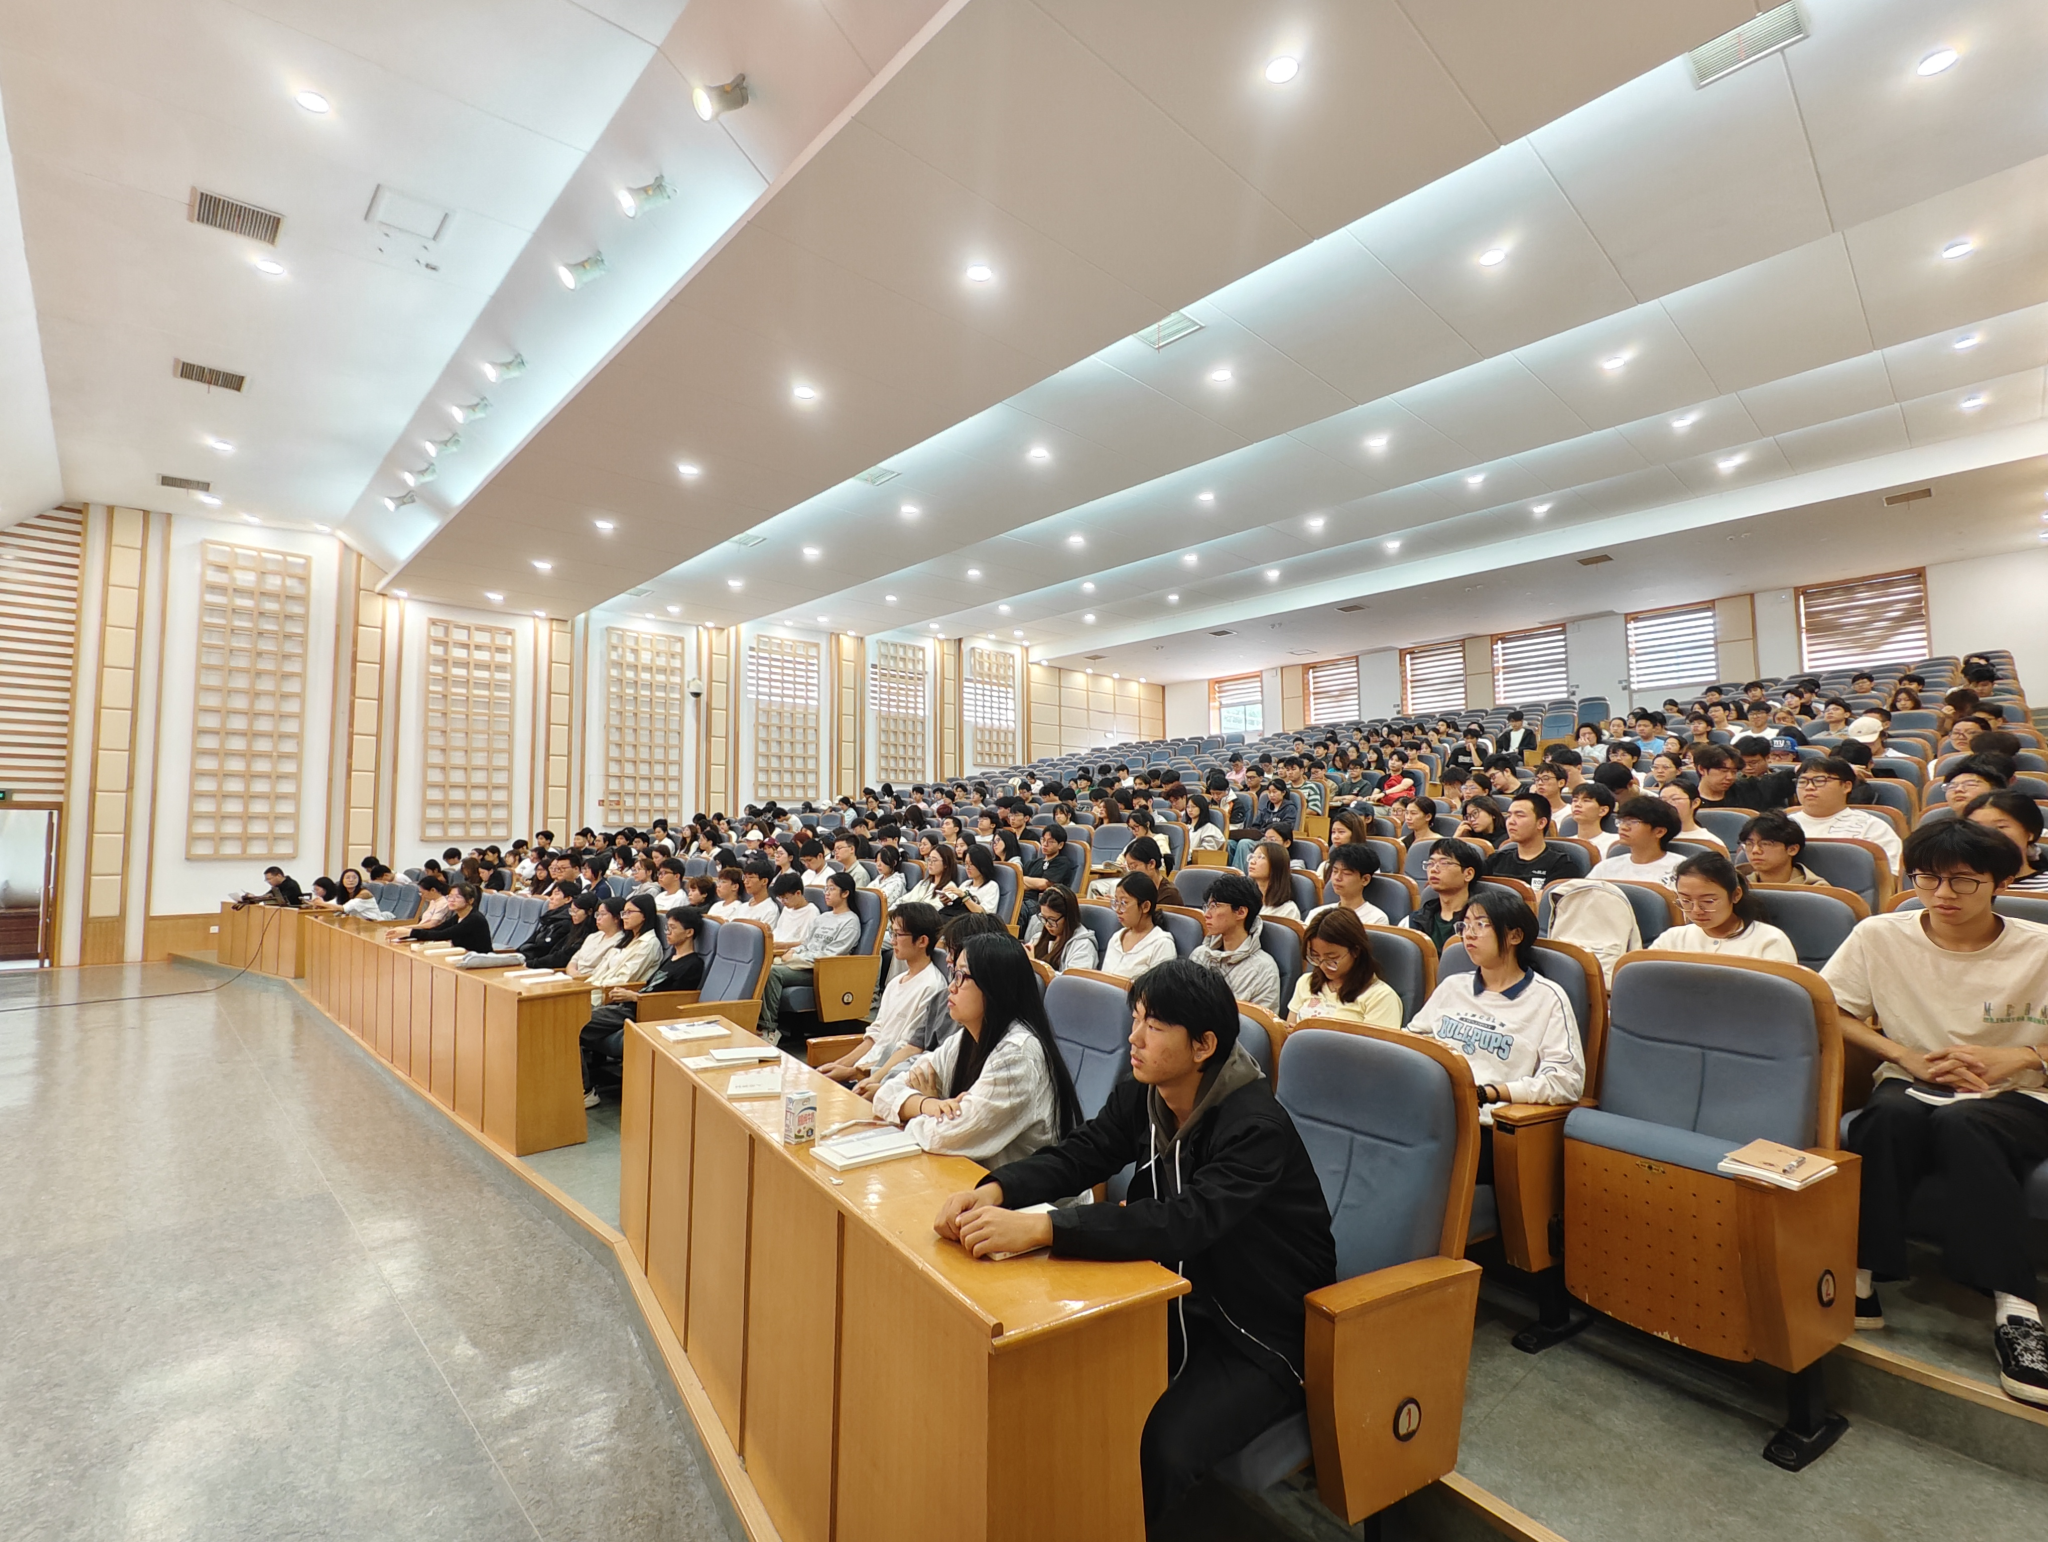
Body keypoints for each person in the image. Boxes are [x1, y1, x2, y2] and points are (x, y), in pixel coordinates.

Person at [932, 961, 1336, 1530]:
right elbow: (1081, 1153)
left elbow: (1184, 1222)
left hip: (1256, 1330)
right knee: (1067, 1377)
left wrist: (1045, 1228)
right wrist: (995, 1189)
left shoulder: (1253, 1128)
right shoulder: (1145, 1096)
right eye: (1136, 1019)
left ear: (1203, 1046)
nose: (1134, 1038)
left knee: (1161, 1447)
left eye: (1155, 1026)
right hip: (1173, 1296)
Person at [1823, 820, 2048, 1408]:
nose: (1943, 894)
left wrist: (2020, 1056)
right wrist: (1902, 1055)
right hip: (1916, 1079)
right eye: (1927, 878)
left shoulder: (2041, 946)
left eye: (1963, 881)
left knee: (1964, 1123)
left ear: (2002, 882)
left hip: (2021, 1093)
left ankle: (2016, 1308)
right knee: (1883, 1120)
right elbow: (1830, 1008)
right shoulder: (1879, 935)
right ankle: (1861, 1275)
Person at [873, 934, 1084, 1167]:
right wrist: (928, 1105)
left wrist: (920, 1107)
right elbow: (885, 1094)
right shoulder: (966, 1037)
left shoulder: (1017, 1056)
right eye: (953, 973)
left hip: (1019, 1189)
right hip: (968, 1174)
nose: (951, 987)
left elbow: (940, 1137)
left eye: (961, 976)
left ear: (994, 986)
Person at [1405, 891, 1584, 1162]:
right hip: (1429, 1113)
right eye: (1465, 924)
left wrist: (1490, 1093)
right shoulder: (1453, 986)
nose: (1469, 934)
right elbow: (1413, 1042)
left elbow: (1565, 1081)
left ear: (1515, 936)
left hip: (1486, 1127)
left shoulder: (1547, 998)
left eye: (1481, 924)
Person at [579, 907, 708, 1104]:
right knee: (572, 1017)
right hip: (629, 1006)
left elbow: (673, 1000)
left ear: (689, 932)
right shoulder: (671, 958)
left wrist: (635, 997)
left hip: (641, 1012)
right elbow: (650, 986)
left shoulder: (692, 964)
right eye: (666, 927)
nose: (667, 932)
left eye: (673, 928)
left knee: (572, 1024)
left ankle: (585, 1091)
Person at [818, 903, 948, 1086]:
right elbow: (875, 1034)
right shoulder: (896, 982)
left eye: (898, 934)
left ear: (922, 941)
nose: (892, 941)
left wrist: (853, 1073)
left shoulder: (932, 986)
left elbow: (910, 1049)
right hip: (864, 1069)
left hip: (885, 1078)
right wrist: (839, 1064)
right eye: (892, 933)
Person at [759, 872, 863, 1051]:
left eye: (831, 889)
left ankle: (769, 1028)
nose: (826, 893)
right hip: (802, 963)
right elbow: (807, 944)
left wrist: (797, 958)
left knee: (772, 972)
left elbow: (832, 955)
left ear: (845, 893)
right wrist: (793, 951)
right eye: (826, 889)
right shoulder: (823, 918)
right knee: (761, 968)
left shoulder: (850, 922)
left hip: (820, 970)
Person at [1661, 852, 1797, 961]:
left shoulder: (1769, 941)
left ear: (1736, 895)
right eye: (1685, 900)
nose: (1696, 910)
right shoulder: (1672, 939)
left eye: (1708, 901)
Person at [1288, 907, 1402, 1028]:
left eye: (1332, 958)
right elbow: (1289, 1030)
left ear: (1355, 951)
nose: (1323, 965)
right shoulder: (1306, 982)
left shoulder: (1380, 997)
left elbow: (1376, 1041)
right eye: (1315, 957)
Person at [1189, 873, 1281, 1012]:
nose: (1207, 914)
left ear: (1241, 912)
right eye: (1207, 906)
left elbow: (1260, 1023)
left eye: (1215, 906)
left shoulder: (1264, 969)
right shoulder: (1200, 955)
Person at [1790, 758, 1903, 869]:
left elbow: (1891, 874)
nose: (1809, 787)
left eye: (1819, 781)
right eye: (1802, 781)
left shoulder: (1873, 827)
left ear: (1846, 786)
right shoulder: (1785, 823)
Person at [1589, 794, 1688, 888]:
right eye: (1621, 821)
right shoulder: (1606, 867)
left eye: (1633, 822)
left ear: (1659, 832)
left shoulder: (1681, 868)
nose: (1623, 827)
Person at [1484, 792, 1579, 890]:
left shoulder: (1561, 865)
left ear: (1541, 823)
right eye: (1509, 816)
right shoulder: (1496, 860)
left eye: (1519, 815)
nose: (1511, 821)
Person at [1406, 838, 1484, 952]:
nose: (1434, 869)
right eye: (1431, 863)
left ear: (1468, 874)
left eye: (1444, 863)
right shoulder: (1413, 920)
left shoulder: (1481, 923)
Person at [1102, 873, 1178, 981]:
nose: (1118, 910)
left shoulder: (1162, 945)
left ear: (1145, 906)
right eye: (1116, 902)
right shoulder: (1116, 938)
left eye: (1124, 903)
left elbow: (1159, 989)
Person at [1968, 791, 2048, 892]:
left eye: (2000, 827)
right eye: (1976, 827)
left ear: (2030, 833)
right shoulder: (1954, 884)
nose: (1987, 835)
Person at [388, 879, 493, 953]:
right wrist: (405, 934)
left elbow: (442, 935)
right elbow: (436, 929)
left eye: (457, 897)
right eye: (450, 896)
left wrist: (410, 932)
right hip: (463, 956)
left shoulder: (474, 919)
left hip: (479, 960)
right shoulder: (458, 916)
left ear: (470, 900)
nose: (451, 900)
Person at [1735, 812, 1829, 888]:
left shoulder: (1817, 889)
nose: (1755, 850)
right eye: (1749, 844)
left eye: (1766, 843)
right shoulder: (1735, 886)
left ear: (1792, 849)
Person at [1024, 885, 1099, 973]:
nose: (1047, 924)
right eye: (1043, 918)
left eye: (1052, 920)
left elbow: (1073, 980)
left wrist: (1035, 966)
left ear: (1068, 917)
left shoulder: (1083, 945)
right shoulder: (1038, 938)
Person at [518, 878, 583, 964]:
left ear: (568, 899)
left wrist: (526, 961)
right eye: (551, 894)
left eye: (556, 894)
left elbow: (545, 950)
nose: (551, 898)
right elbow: (531, 941)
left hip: (537, 964)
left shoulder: (565, 923)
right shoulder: (550, 919)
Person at [1659, 779, 1724, 849]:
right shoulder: (1654, 836)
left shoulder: (1709, 842)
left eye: (1675, 799)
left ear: (1695, 803)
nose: (1668, 804)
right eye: (1663, 800)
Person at [1247, 842, 1299, 921]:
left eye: (1260, 857)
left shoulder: (1288, 910)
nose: (1252, 862)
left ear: (1276, 864)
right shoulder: (1245, 900)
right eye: (1252, 857)